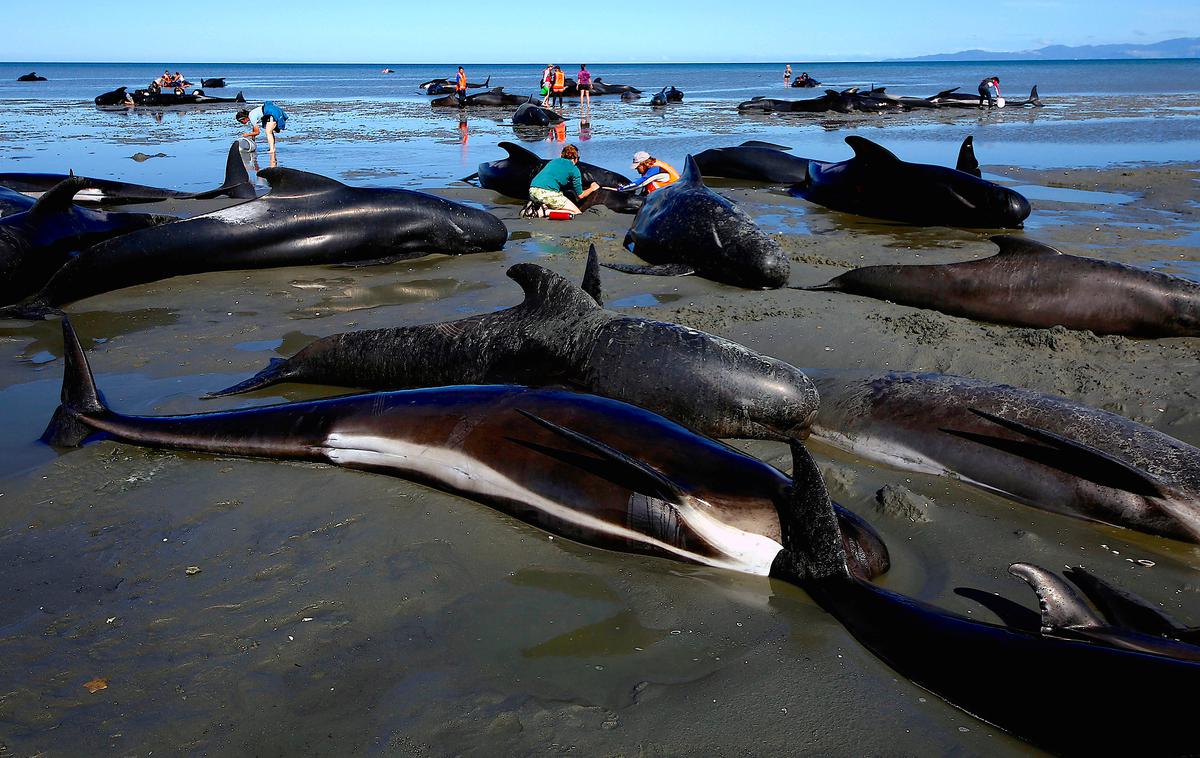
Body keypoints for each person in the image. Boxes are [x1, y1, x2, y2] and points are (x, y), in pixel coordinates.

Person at [526, 144, 599, 217]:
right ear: (576, 158)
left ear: (561, 155)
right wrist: (592, 188)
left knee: (551, 199)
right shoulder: (574, 169)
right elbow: (580, 195)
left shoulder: (553, 161)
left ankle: (536, 206)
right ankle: (546, 212)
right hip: (547, 193)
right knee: (577, 213)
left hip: (532, 191)